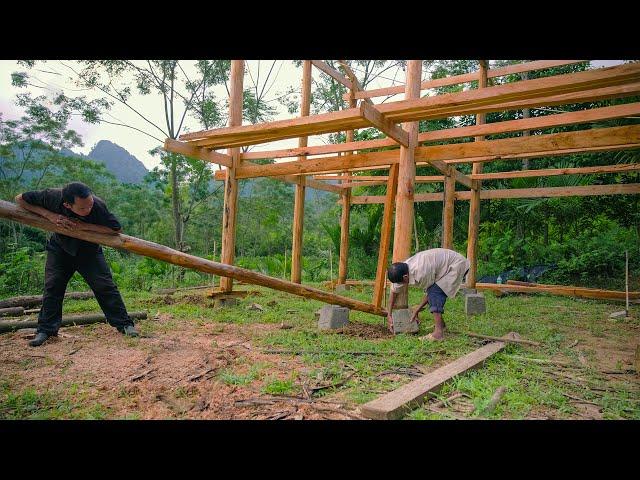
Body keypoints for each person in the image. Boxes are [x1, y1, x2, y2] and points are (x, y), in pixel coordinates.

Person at [15, 182, 139, 347]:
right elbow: (19, 199)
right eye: (82, 208)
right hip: (60, 249)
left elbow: (115, 229)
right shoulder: (52, 196)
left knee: (105, 286)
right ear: (67, 204)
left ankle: (125, 324)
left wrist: (84, 226)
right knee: (53, 286)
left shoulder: (97, 204)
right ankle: (46, 330)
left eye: (90, 205)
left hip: (89, 252)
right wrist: (49, 215)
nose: (88, 209)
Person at [386, 248, 470, 340]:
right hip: (443, 265)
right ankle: (442, 326)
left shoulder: (421, 271)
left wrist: (417, 309)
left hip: (456, 265)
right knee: (434, 293)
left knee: (435, 293)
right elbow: (393, 293)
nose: (399, 285)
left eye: (400, 283)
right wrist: (389, 315)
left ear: (405, 277)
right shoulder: (401, 269)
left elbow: (430, 293)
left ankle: (438, 334)